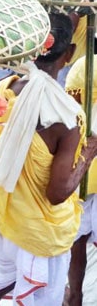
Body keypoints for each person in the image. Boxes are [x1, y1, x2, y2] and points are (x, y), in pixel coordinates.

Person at [0, 13, 97, 305]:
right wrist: (87, 156)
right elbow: (56, 193)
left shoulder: (2, 89)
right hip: (34, 230)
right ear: (68, 54)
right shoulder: (66, 116)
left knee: (1, 280)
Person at [65, 54, 97, 306]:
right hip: (81, 175)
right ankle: (75, 294)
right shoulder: (85, 64)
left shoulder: (84, 64)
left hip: (79, 174)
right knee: (76, 239)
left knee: (75, 240)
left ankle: (74, 294)